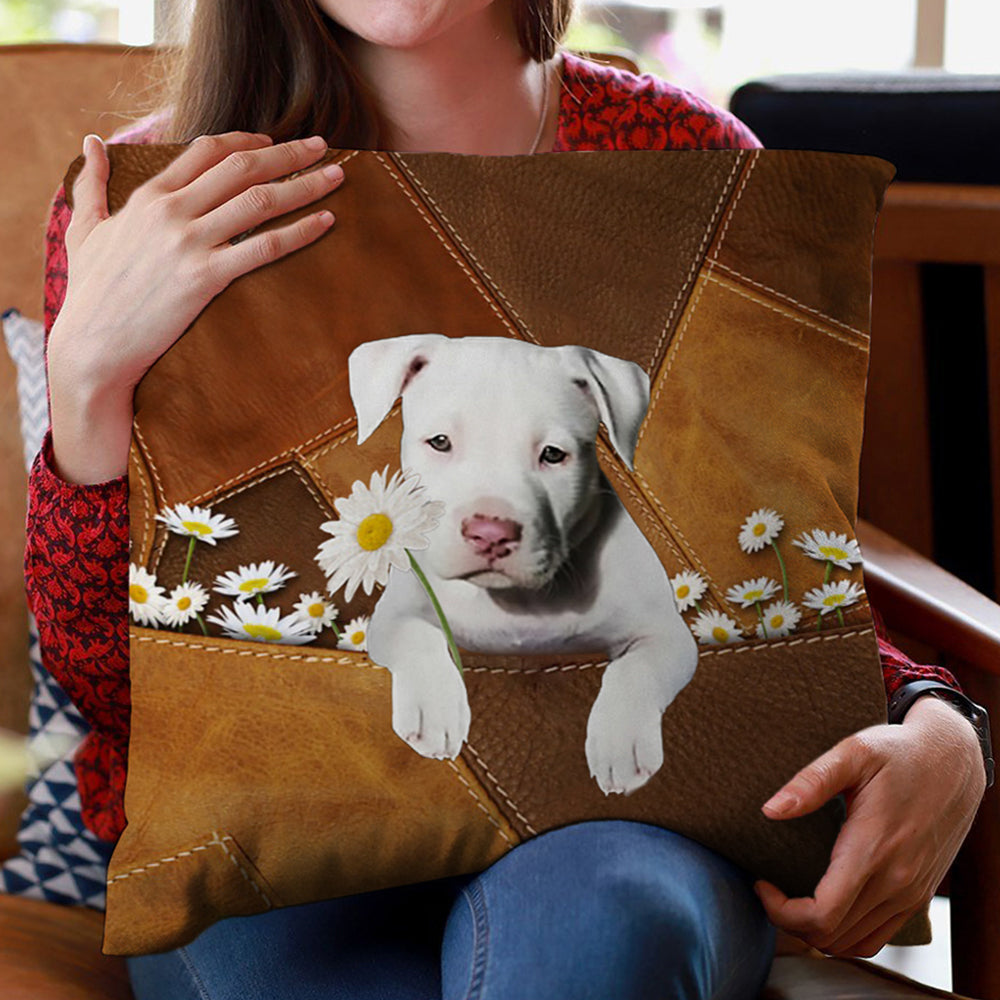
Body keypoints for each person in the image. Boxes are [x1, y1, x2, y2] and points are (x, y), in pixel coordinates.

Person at [24, 1, 988, 997]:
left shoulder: (689, 166)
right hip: (274, 815)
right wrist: (89, 383)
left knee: (601, 923)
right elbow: (106, 680)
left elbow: (750, 556)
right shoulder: (157, 204)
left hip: (618, 827)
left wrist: (935, 713)